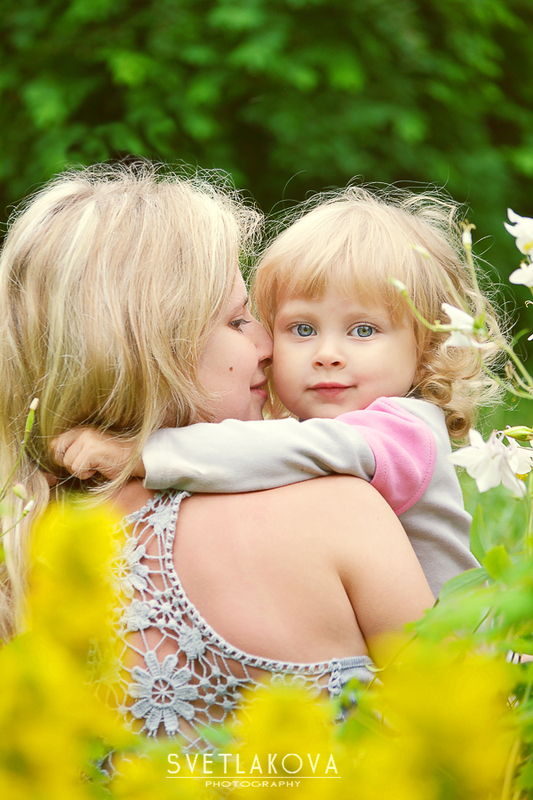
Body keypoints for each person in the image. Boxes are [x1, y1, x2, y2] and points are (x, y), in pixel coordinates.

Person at [0, 165, 434, 751]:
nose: (267, 346)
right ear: (154, 344)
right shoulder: (335, 509)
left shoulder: (23, 543)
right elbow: (470, 742)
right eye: (236, 320)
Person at [54, 187, 503, 598]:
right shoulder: (298, 433)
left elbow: (283, 450)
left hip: (456, 641)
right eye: (302, 329)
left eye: (363, 330)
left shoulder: (406, 431)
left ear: (427, 348)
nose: (327, 354)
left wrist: (140, 453)